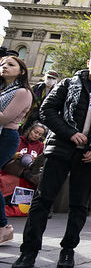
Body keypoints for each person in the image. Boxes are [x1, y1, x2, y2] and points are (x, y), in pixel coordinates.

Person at [11, 48, 91, 268]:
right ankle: (29, 252)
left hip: (88, 157)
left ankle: (68, 250)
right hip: (60, 149)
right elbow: (47, 110)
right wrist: (70, 133)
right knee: (43, 200)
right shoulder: (68, 84)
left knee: (80, 205)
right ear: (88, 62)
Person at [0, 56, 34, 245]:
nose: (4, 67)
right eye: (2, 64)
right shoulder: (3, 90)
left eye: (10, 65)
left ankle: (4, 227)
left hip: (5, 137)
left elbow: (5, 118)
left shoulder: (22, 92)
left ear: (21, 71)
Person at [1, 123, 46, 218]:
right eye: (35, 132)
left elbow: (41, 162)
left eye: (39, 134)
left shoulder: (41, 146)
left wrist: (36, 160)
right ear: (30, 130)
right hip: (13, 166)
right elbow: (5, 155)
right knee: (24, 159)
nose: (36, 135)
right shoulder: (18, 140)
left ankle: (45, 208)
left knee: (38, 176)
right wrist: (15, 155)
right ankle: (31, 166)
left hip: (27, 172)